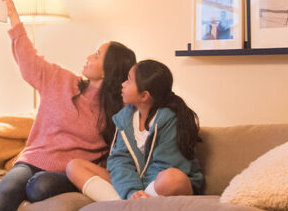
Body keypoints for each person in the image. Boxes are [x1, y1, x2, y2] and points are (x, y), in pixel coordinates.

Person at [0, 0, 136, 211]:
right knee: (0, 203)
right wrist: (14, 17)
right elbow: (29, 61)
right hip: (33, 160)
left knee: (38, 187)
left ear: (109, 69)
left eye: (97, 55)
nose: (89, 56)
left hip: (69, 172)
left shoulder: (119, 111)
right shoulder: (61, 80)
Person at [66, 59, 204, 201]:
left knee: (173, 179)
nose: (123, 84)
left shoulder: (170, 119)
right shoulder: (124, 118)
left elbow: (166, 166)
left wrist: (141, 190)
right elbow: (120, 161)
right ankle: (126, 205)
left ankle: (134, 204)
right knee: (74, 166)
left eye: (129, 80)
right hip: (133, 184)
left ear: (144, 96)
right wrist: (131, 190)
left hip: (157, 185)